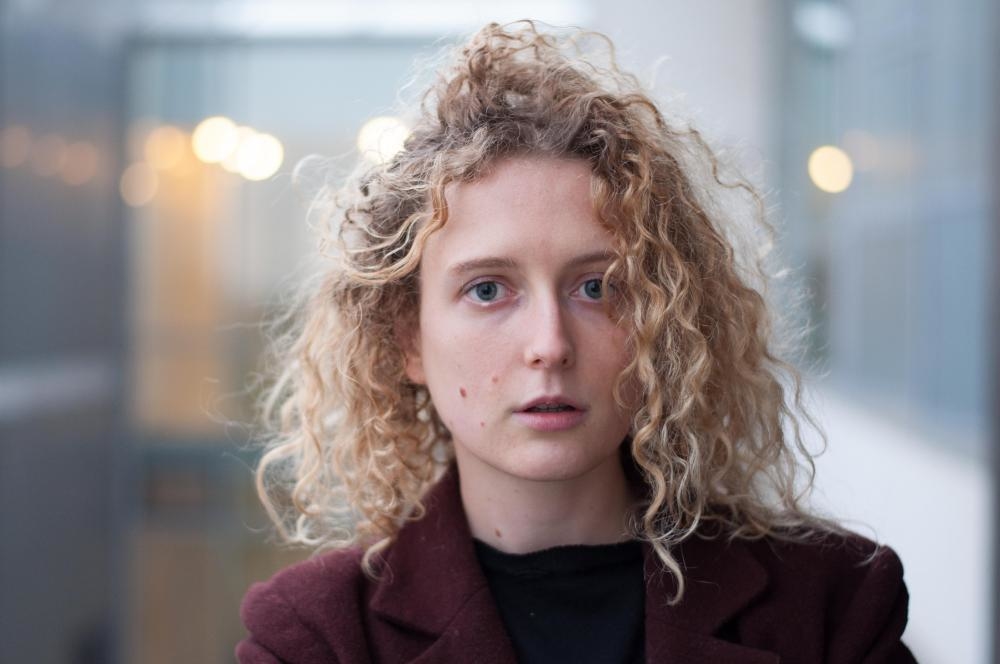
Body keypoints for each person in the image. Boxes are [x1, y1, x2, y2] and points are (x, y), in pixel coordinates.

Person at [236, 21, 916, 664]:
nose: (550, 345)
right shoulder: (317, 637)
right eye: (487, 290)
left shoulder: (834, 604)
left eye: (598, 287)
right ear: (407, 339)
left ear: (663, 319)